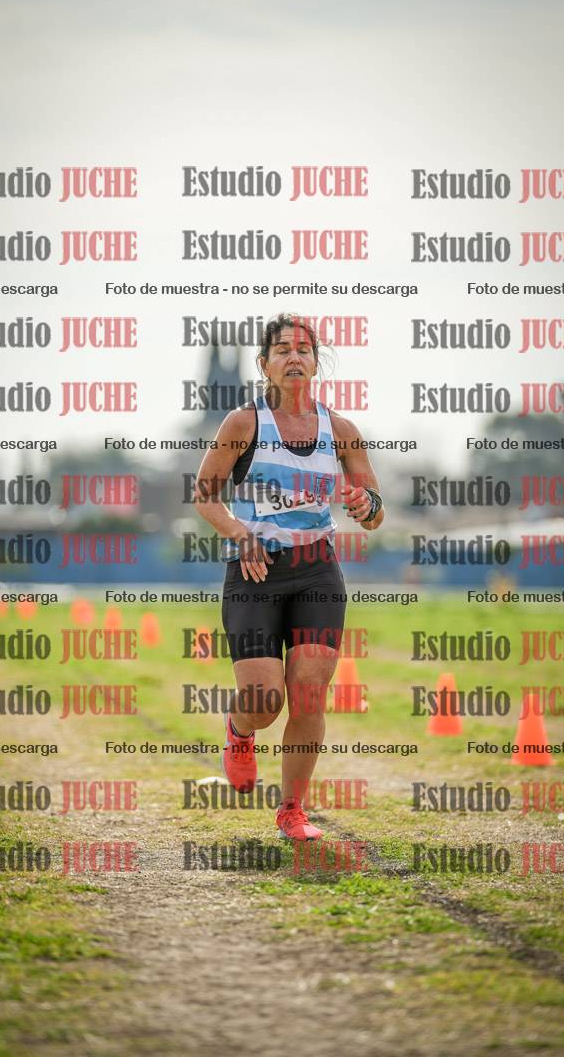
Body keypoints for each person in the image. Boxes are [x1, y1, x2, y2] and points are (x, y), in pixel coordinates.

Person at [193, 313, 384, 841]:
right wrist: (240, 534)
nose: (294, 357)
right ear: (265, 364)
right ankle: (240, 730)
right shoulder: (243, 424)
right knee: (264, 701)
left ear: (317, 363)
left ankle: (292, 810)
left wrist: (365, 505)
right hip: (255, 570)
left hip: (317, 571)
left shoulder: (341, 432)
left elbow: (374, 511)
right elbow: (205, 496)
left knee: (309, 695)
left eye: (303, 349)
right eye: (282, 350)